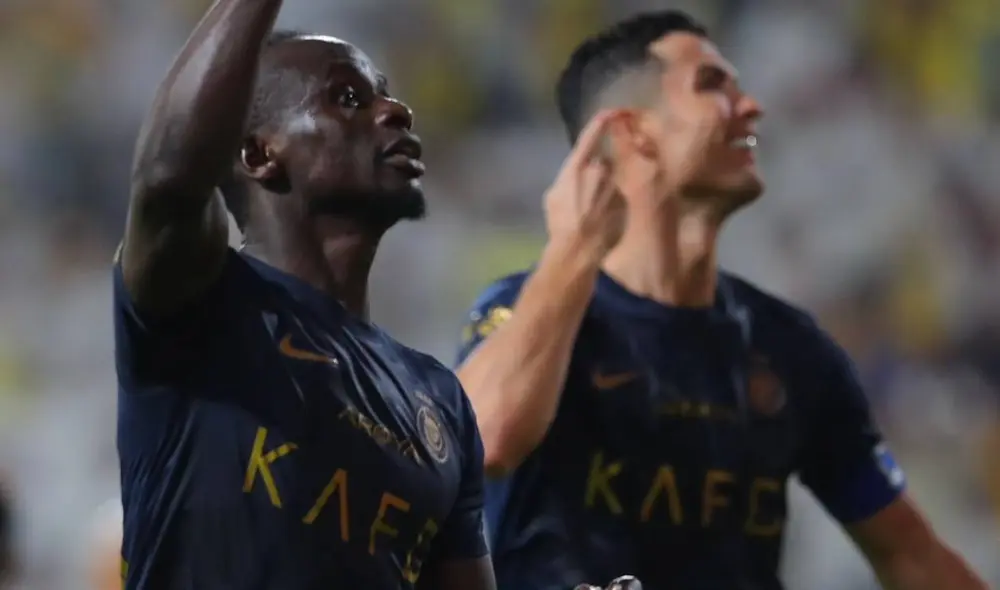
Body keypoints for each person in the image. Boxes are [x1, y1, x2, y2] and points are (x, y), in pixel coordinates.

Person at [454, 10, 988, 590]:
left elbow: (910, 555)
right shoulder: (529, 311)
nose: (751, 105)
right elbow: (485, 442)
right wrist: (575, 248)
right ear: (632, 133)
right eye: (712, 86)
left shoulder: (790, 348)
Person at [114, 0, 494, 587]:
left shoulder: (438, 398)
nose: (397, 110)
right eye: (348, 98)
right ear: (259, 154)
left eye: (386, 94)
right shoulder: (199, 302)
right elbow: (168, 178)